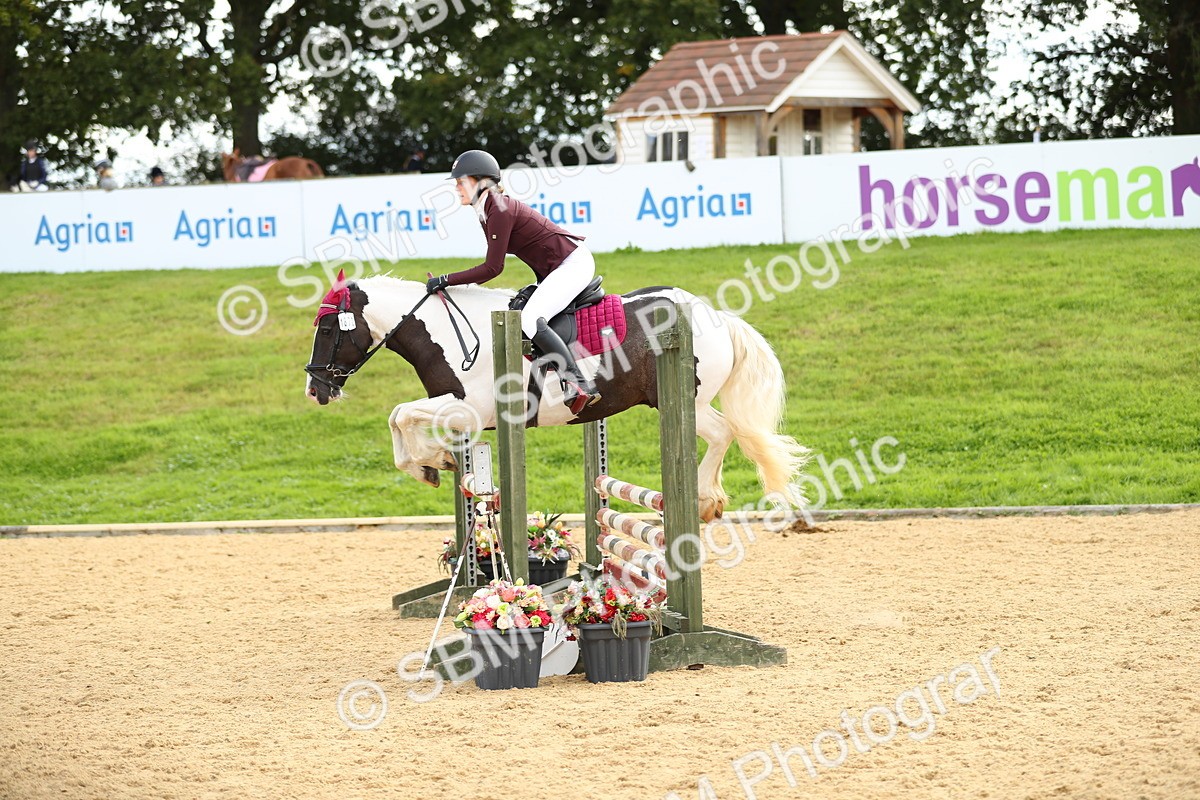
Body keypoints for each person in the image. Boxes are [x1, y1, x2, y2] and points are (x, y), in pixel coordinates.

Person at [426, 149, 600, 413]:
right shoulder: (487, 208)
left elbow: (493, 268)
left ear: (480, 181)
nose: (457, 188)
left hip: (572, 264)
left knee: (531, 319)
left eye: (461, 182)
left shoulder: (498, 208)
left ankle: (578, 384)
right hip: (557, 268)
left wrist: (446, 280)